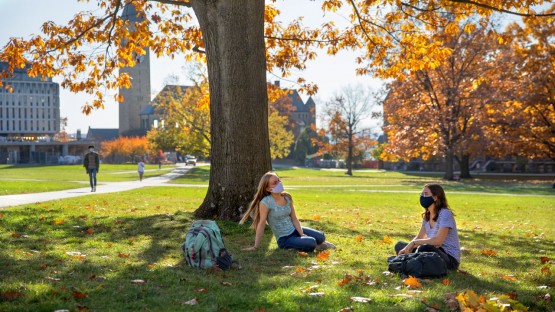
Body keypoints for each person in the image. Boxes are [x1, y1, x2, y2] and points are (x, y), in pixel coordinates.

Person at [240, 171, 335, 252]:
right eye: (275, 183)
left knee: (321, 236)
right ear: (268, 189)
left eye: (279, 180)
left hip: (294, 229)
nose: (279, 183)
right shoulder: (265, 202)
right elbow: (261, 224)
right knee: (311, 242)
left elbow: (294, 218)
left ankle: (305, 244)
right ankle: (315, 246)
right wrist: (255, 246)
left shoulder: (287, 197)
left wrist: (301, 233)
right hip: (284, 238)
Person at [394, 184, 460, 270]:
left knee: (424, 247)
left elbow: (438, 241)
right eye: (421, 194)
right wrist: (407, 247)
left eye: (425, 194)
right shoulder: (427, 215)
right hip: (431, 252)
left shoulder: (445, 214)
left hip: (449, 259)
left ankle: (410, 261)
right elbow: (419, 237)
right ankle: (412, 260)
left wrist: (414, 243)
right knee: (399, 245)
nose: (422, 197)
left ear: (435, 197)